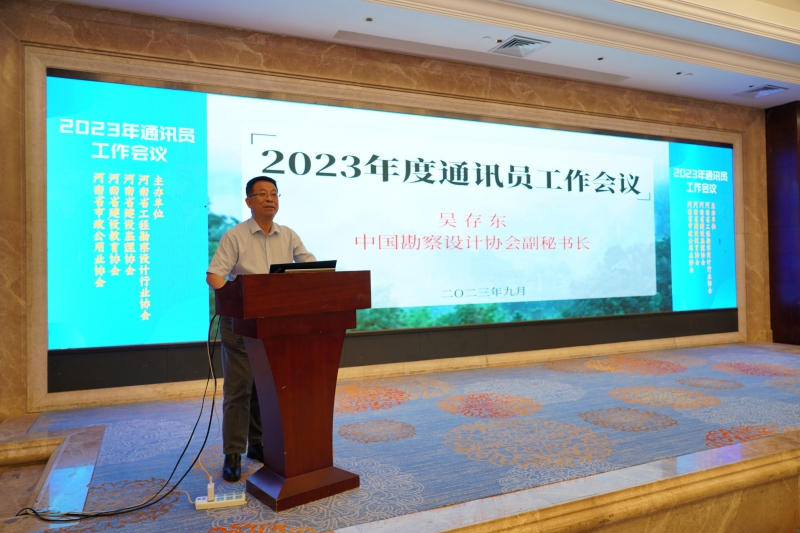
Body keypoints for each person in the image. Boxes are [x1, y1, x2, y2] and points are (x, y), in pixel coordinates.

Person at [206, 176, 316, 482]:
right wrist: (234, 299)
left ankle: (257, 444)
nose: (269, 198)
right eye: (262, 194)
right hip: (240, 324)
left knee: (264, 389)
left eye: (274, 194)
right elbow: (214, 275)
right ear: (249, 202)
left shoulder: (288, 235)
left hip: (275, 326)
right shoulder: (235, 236)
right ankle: (232, 453)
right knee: (239, 389)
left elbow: (311, 267)